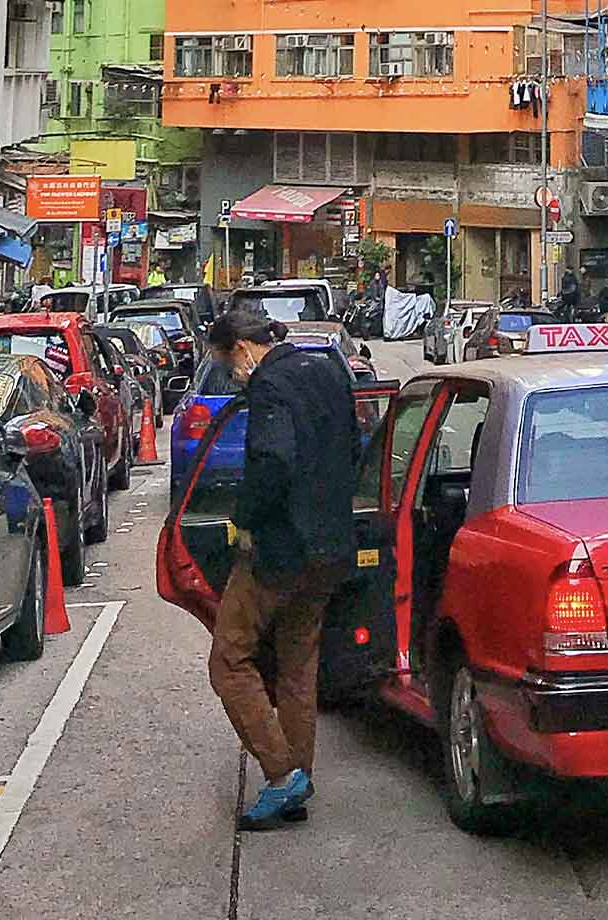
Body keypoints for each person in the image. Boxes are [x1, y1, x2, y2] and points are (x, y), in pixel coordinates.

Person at [204, 311, 360, 832]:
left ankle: (282, 773)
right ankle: (297, 779)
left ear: (243, 349)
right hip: (332, 544)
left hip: (281, 549)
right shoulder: (328, 372)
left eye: (229, 363)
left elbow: (273, 461)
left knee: (229, 658)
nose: (233, 374)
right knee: (298, 664)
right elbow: (355, 447)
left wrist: (244, 517)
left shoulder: (270, 387)